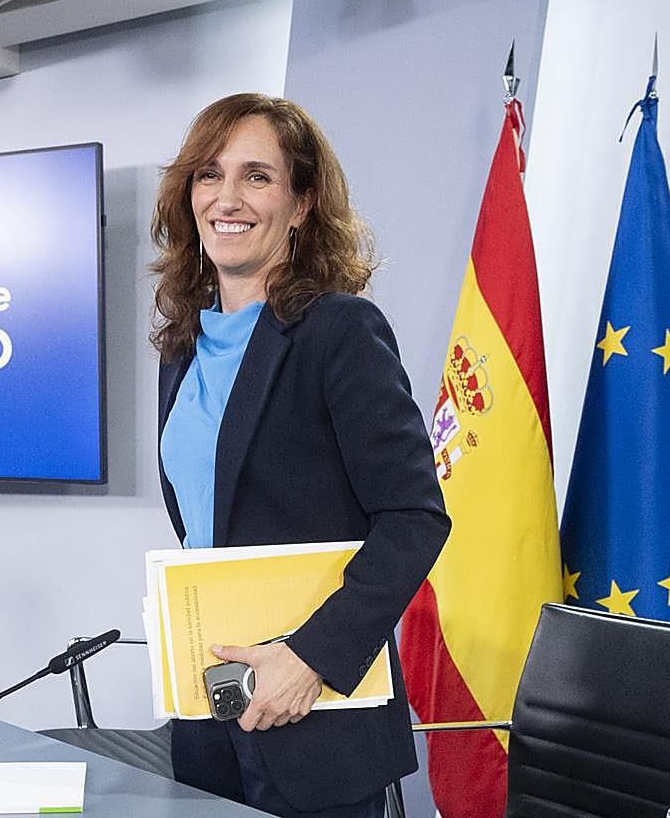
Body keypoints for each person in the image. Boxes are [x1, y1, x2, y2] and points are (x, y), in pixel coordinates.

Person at [151, 93, 450, 818]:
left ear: (302, 203)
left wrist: (310, 656)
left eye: (257, 176)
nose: (227, 197)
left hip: (313, 713)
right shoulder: (183, 347)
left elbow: (414, 517)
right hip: (212, 703)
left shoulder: (338, 331)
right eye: (207, 175)